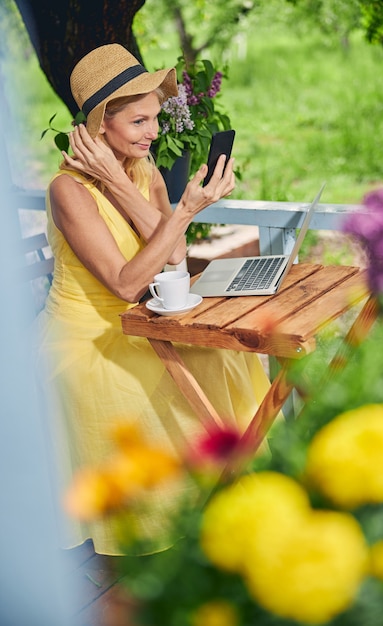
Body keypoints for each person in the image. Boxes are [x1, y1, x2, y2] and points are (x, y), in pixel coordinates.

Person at [35, 43, 271, 555]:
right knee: (182, 379)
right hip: (88, 340)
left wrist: (120, 182)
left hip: (140, 326)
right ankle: (170, 527)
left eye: (156, 119)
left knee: (221, 359)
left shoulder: (140, 171)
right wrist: (183, 211)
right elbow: (125, 283)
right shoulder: (68, 191)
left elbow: (172, 256)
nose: (155, 132)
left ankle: (222, 508)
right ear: (102, 127)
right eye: (139, 122)